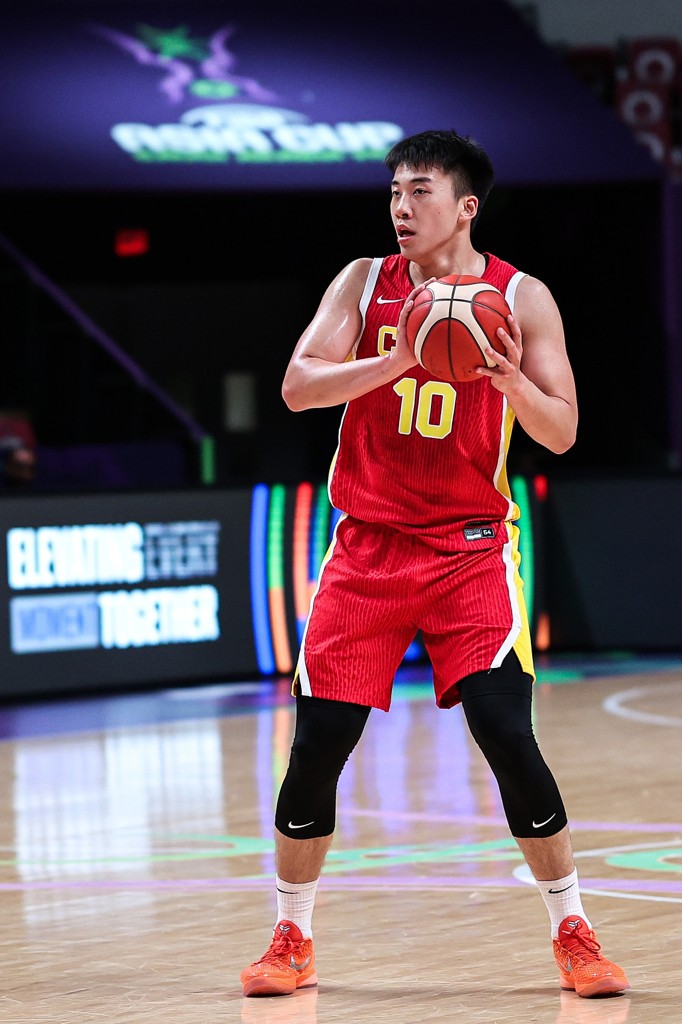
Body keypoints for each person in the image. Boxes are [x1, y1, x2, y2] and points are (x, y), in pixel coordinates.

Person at [240, 129, 629, 1000]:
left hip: (469, 552)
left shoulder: (520, 298)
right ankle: (292, 937)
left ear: (465, 207)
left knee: (507, 735)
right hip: (367, 549)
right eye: (394, 193)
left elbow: (563, 430)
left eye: (420, 191)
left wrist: (509, 382)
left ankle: (574, 930)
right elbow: (298, 386)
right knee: (318, 745)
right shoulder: (363, 282)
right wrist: (397, 358)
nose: (401, 208)